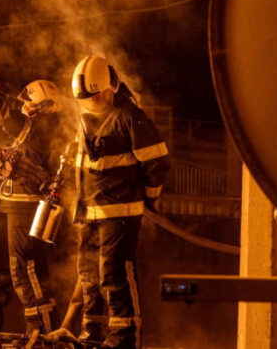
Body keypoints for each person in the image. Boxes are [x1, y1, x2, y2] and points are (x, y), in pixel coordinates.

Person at [70, 55, 170, 349]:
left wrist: (151, 198)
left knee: (114, 273)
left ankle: (124, 336)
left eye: (95, 96)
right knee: (88, 274)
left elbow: (157, 163)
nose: (91, 103)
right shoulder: (85, 119)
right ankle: (92, 329)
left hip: (120, 213)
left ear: (108, 88)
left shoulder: (130, 117)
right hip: (89, 211)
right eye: (86, 99)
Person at [0, 71, 65, 334]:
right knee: (33, 273)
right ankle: (43, 332)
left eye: (29, 102)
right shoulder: (47, 128)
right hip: (29, 207)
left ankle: (42, 335)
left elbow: (2, 116)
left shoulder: (36, 130)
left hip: (25, 208)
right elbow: (14, 106)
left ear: (40, 107)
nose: (24, 106)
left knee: (25, 270)